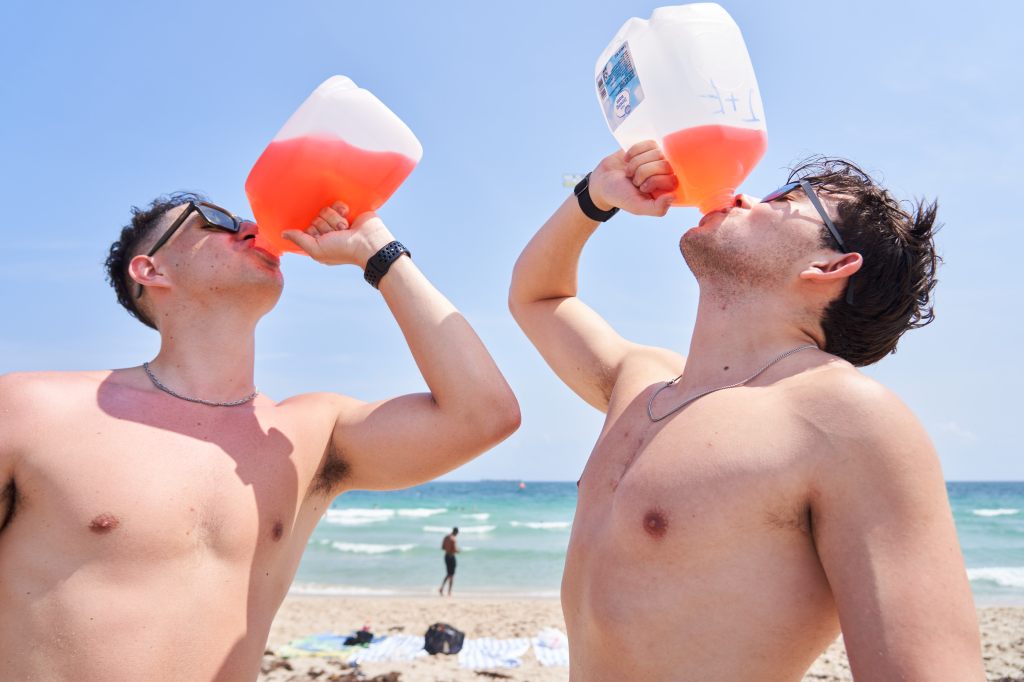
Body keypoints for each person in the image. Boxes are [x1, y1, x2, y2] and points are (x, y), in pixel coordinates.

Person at [509, 142, 984, 680]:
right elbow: (537, 298)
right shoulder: (641, 382)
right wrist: (594, 197)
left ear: (831, 264)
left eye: (788, 199)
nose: (742, 196)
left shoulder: (844, 417)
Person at [0, 194, 520, 681]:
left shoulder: (311, 434)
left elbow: (484, 414)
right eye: (216, 220)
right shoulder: (30, 411)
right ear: (150, 268)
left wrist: (376, 251)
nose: (251, 226)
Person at [439, 526, 460, 596]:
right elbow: (454, 550)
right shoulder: (453, 539)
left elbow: (442, 547)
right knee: (451, 575)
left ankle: (442, 588)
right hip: (451, 557)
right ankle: (449, 591)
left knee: (448, 574)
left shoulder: (446, 537)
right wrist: (458, 550)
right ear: (456, 532)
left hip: (446, 556)